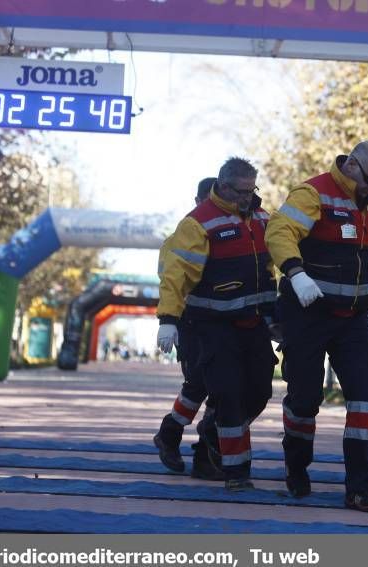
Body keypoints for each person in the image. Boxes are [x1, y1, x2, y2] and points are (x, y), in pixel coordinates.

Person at [265, 140, 368, 513]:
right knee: (305, 401)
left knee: (366, 401)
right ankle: (297, 468)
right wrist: (295, 272)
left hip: (352, 319)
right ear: (352, 165)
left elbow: (367, 260)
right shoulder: (313, 194)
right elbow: (279, 231)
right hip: (307, 313)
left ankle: (360, 489)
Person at [156, 159, 276, 492]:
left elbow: (282, 256)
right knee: (223, 394)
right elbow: (174, 275)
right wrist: (168, 320)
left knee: (258, 391)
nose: (248, 197)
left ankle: (194, 436)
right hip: (208, 327)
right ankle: (234, 471)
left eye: (252, 190)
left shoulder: (263, 219)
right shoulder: (197, 225)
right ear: (223, 187)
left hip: (251, 326)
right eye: (241, 191)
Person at [153, 177, 223, 480]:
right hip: (192, 321)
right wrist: (169, 321)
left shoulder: (235, 230)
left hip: (226, 322)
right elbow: (170, 280)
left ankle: (204, 452)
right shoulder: (180, 237)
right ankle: (171, 434)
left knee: (223, 388)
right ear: (197, 202)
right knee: (199, 384)